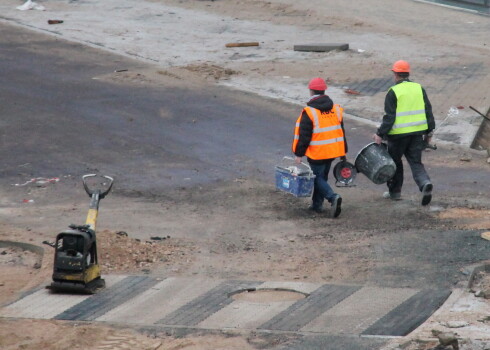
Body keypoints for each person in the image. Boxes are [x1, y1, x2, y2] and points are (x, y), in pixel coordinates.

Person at [373, 60, 435, 206]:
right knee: (415, 162)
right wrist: (429, 131)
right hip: (417, 134)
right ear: (407, 73)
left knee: (395, 162)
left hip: (398, 136)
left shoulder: (393, 92)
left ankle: (395, 192)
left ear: (395, 74)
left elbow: (389, 117)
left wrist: (380, 134)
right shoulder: (419, 88)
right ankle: (424, 183)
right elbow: (428, 111)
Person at [292, 77, 348, 218]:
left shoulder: (309, 112)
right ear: (324, 91)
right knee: (322, 177)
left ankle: (332, 197)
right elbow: (341, 131)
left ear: (311, 91)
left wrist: (299, 154)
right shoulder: (335, 109)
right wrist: (343, 152)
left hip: (317, 153)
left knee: (316, 178)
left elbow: (304, 136)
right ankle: (317, 205)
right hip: (332, 151)